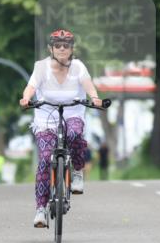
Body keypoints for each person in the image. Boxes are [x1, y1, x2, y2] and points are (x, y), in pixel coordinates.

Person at [19, 28, 103, 228]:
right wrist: (26, 98)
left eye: (66, 46)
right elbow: (31, 86)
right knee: (45, 159)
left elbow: (88, 84)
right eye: (58, 45)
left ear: (72, 49)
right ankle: (40, 210)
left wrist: (95, 98)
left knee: (74, 134)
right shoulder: (41, 67)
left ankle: (77, 172)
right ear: (51, 48)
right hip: (45, 119)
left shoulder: (78, 67)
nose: (62, 49)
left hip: (72, 113)